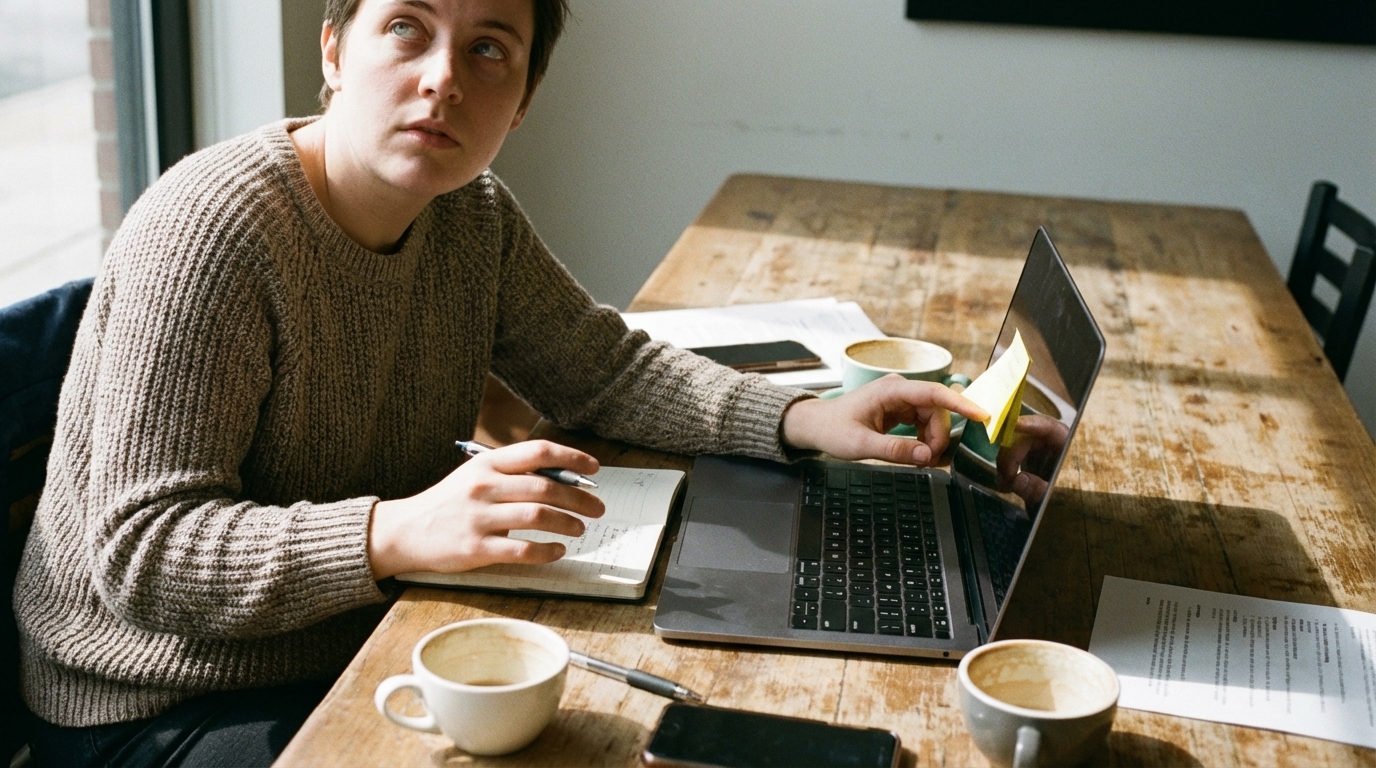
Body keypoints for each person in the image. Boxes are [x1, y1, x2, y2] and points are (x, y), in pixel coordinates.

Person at [15, 0, 989, 764]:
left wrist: (809, 420)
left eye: (488, 50)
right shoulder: (213, 234)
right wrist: (393, 531)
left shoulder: (469, 213)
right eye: (406, 27)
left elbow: (600, 368)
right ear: (333, 52)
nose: (442, 78)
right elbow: (142, 555)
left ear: (519, 101)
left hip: (359, 636)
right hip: (156, 703)